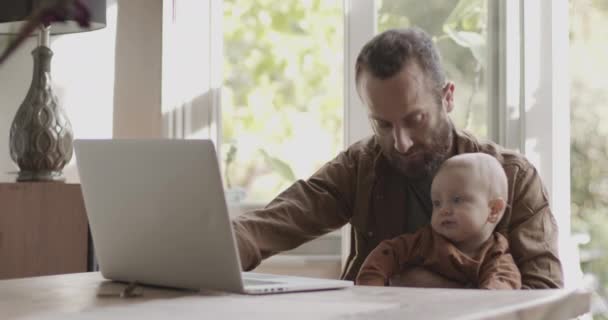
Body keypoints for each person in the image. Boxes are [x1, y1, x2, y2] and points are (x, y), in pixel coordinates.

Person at [232, 27, 563, 289]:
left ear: (447, 98)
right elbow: (277, 221)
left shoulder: (513, 177)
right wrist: (207, 248)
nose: (401, 143)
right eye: (383, 124)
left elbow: (547, 296)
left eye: (414, 120)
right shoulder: (360, 165)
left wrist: (423, 288)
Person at [356, 153, 521, 289]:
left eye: (457, 200)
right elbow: (387, 253)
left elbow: (497, 300)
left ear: (494, 209)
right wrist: (371, 287)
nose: (444, 210)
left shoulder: (496, 256)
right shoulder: (425, 240)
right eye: (437, 203)